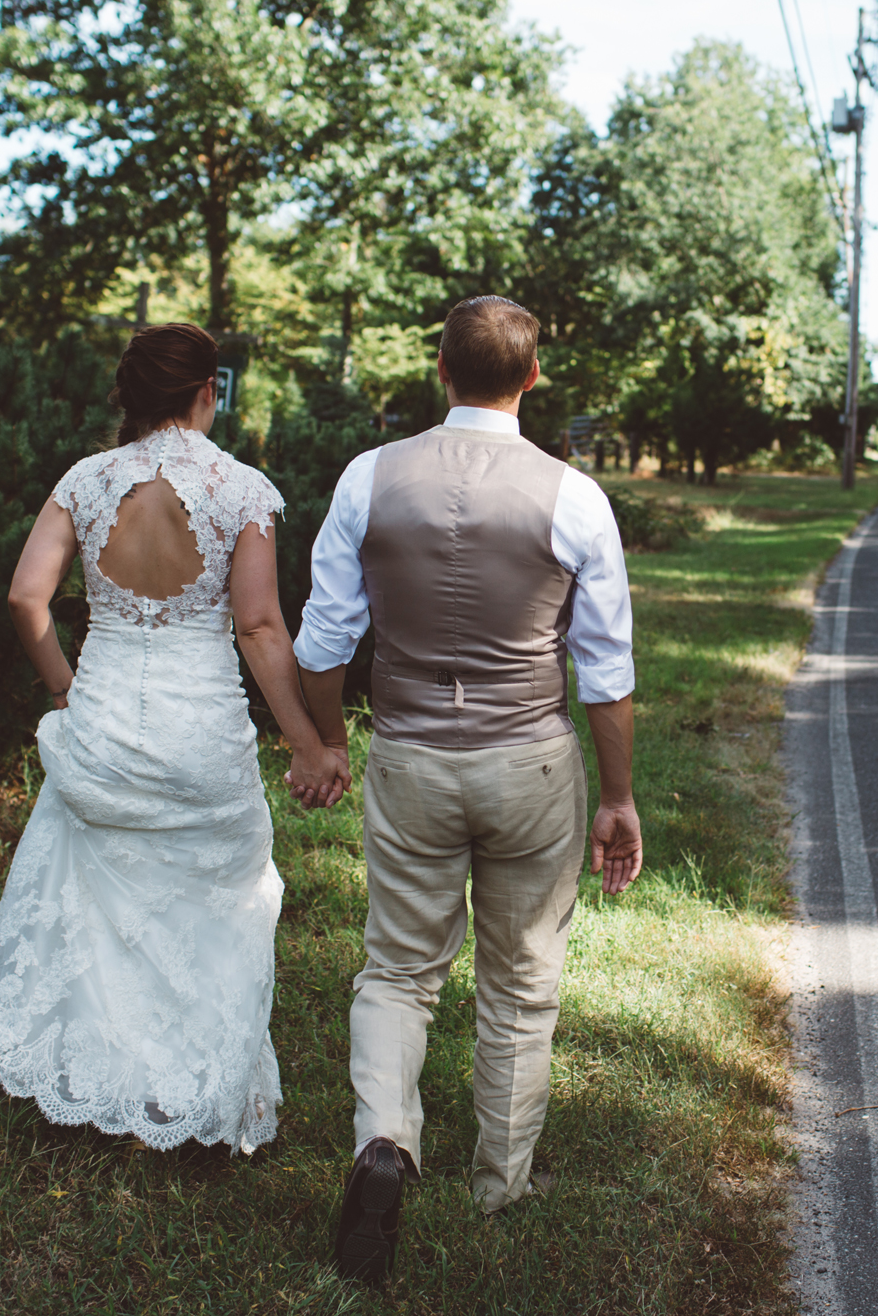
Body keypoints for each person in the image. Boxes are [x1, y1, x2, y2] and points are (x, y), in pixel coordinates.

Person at [294, 294, 644, 1284]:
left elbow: (324, 638)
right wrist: (616, 796)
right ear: (533, 380)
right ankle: (500, 1180)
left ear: (437, 370)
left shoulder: (369, 476)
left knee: (399, 966)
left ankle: (386, 1142)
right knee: (521, 977)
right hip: (528, 756)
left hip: (408, 750)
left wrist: (327, 738)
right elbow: (606, 671)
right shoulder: (574, 496)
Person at [0, 322, 350, 1154]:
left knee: (102, 901)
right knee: (212, 900)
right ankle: (185, 1094)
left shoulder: (84, 481)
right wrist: (305, 742)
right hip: (199, 731)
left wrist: (67, 690)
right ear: (206, 390)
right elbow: (257, 625)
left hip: (104, 717)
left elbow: (24, 600)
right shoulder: (241, 488)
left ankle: (96, 1078)